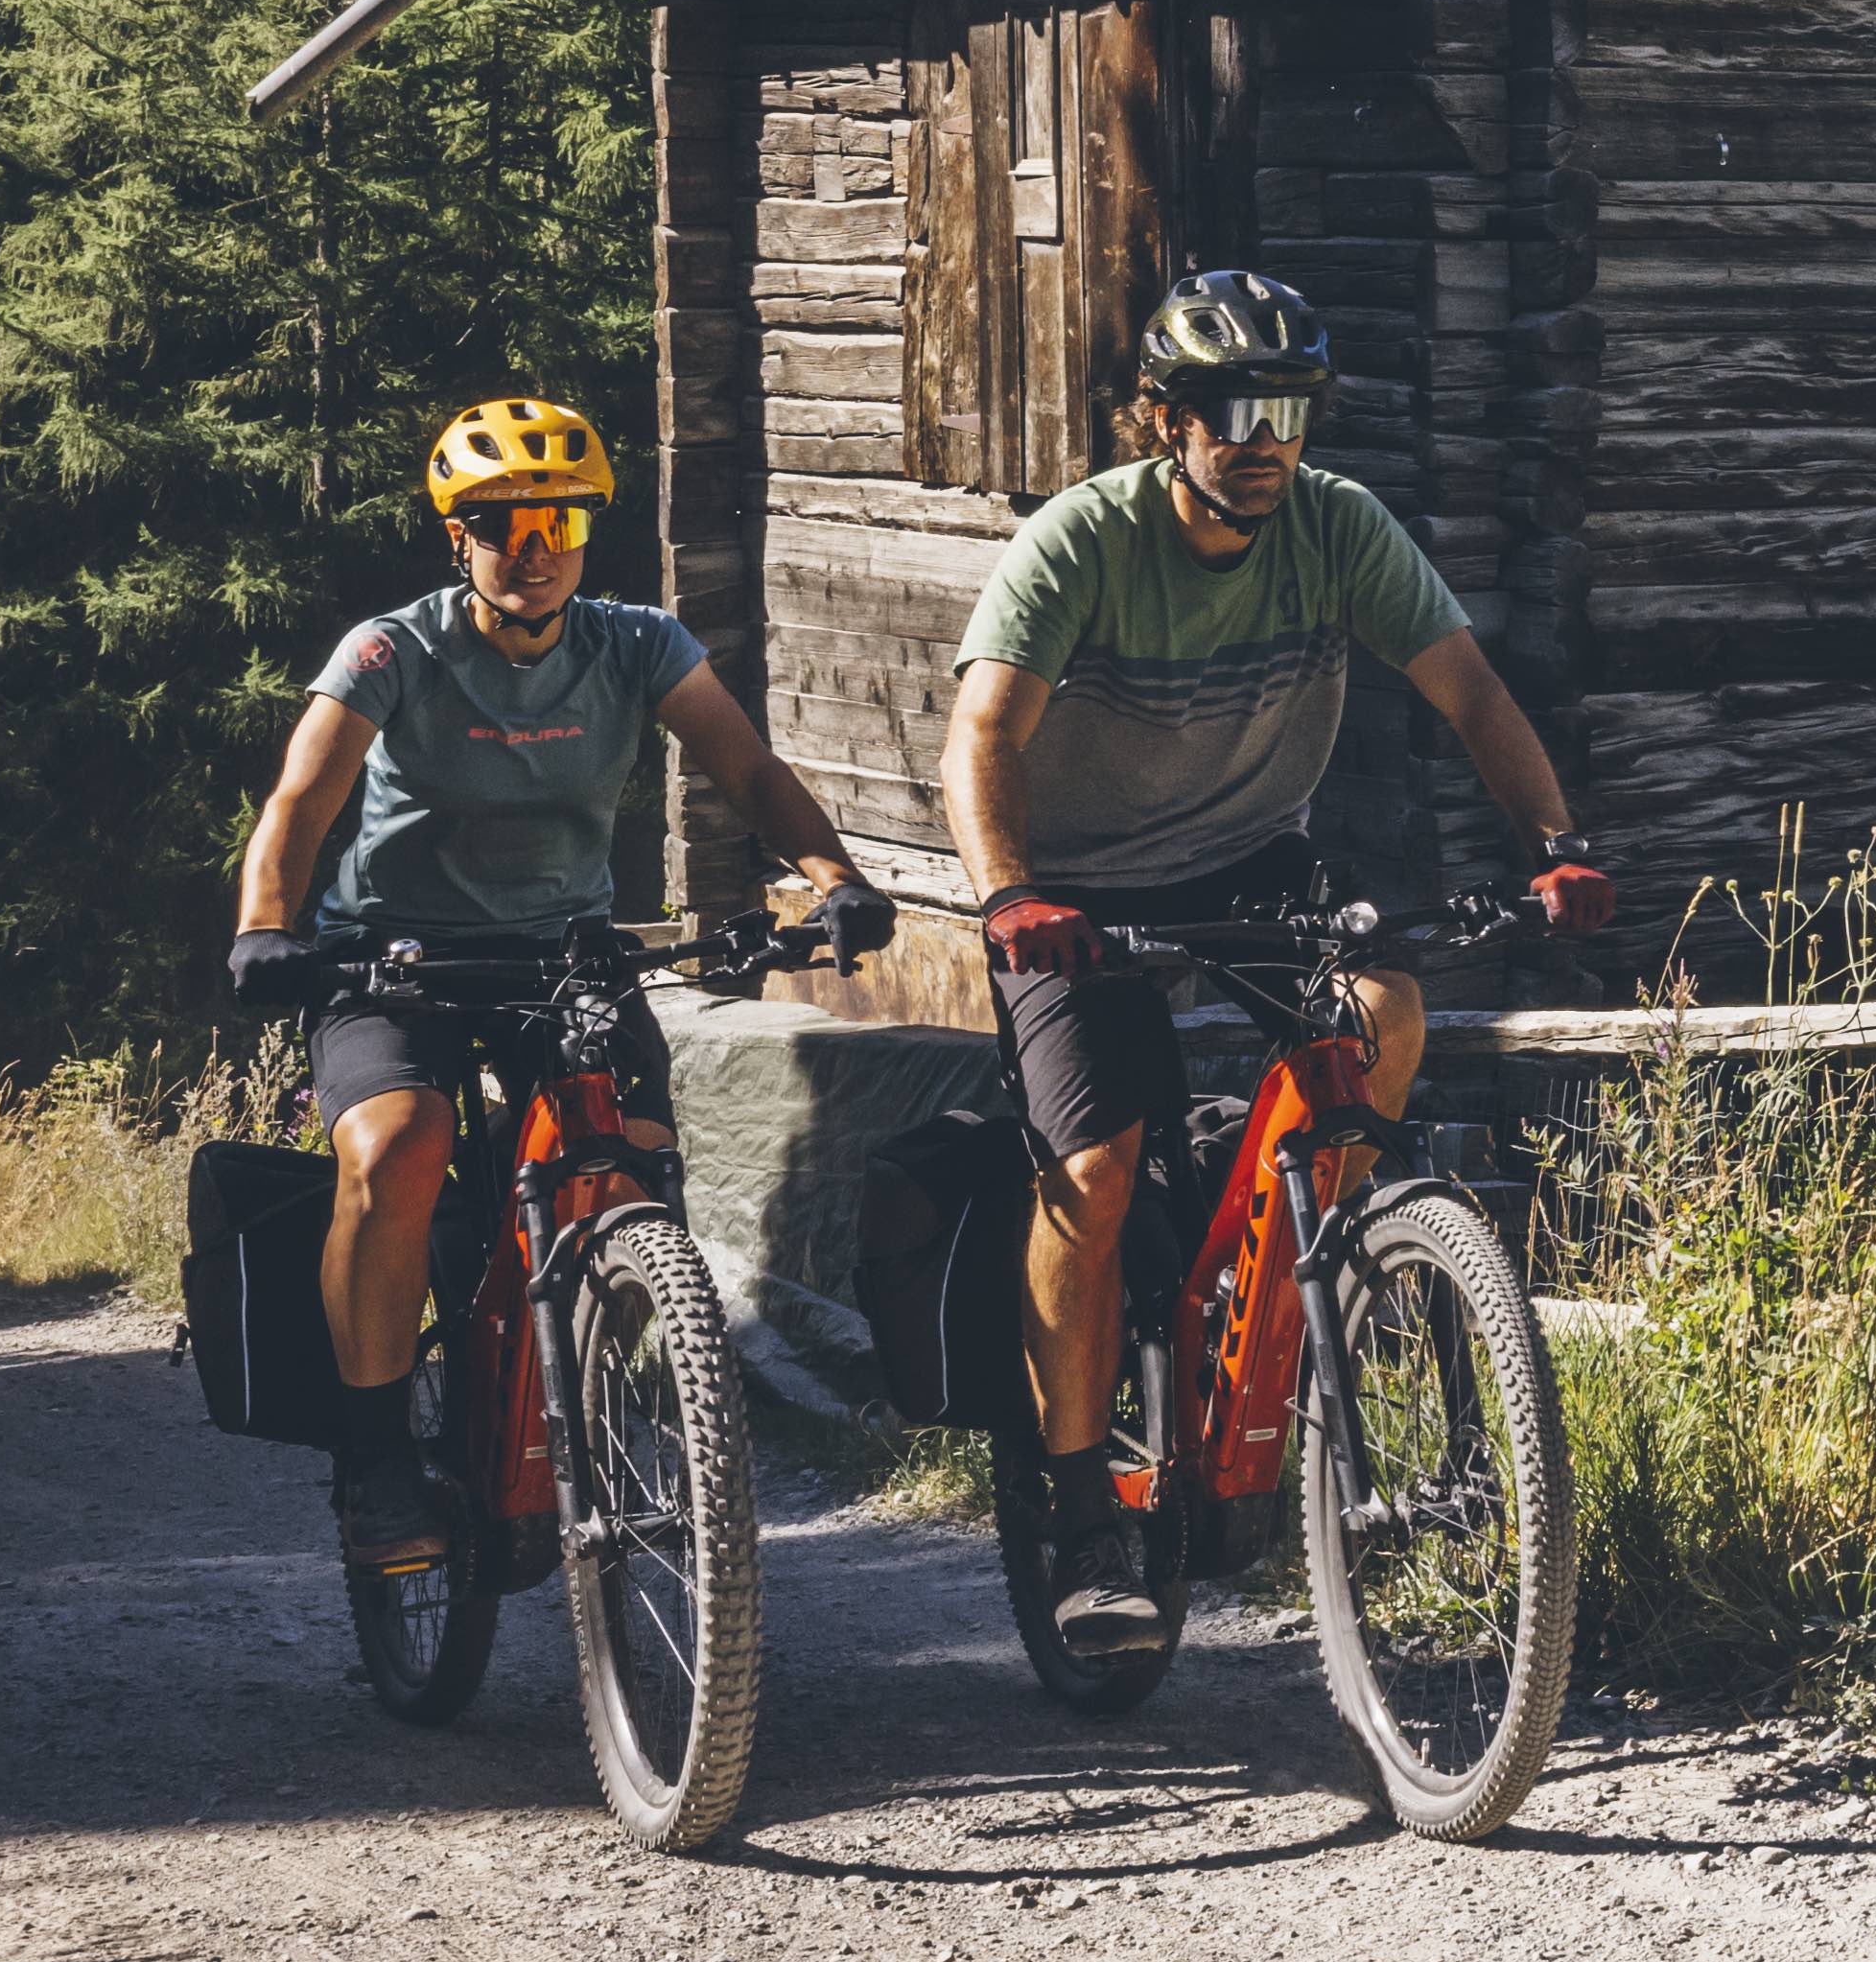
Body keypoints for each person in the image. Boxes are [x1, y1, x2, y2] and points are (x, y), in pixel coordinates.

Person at [946, 269, 1614, 1640]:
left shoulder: (1338, 528)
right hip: (1076, 888)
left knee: (1385, 1015)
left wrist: (1553, 842)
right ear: (1164, 419)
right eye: (1233, 409)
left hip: (1252, 857)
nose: (1265, 439)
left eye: (1292, 411)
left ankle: (1315, 1286)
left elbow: (1471, 692)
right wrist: (1010, 896)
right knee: (1093, 1167)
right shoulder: (1080, 543)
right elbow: (983, 738)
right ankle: (1083, 1507)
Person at [226, 398, 863, 1590]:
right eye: (503, 524)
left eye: (558, 520)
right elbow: (299, 805)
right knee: (399, 1143)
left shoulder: (636, 644)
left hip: (561, 955)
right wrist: (268, 927)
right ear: (456, 537)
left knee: (627, 1163)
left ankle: (587, 1402)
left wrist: (832, 879)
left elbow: (749, 769)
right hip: (392, 959)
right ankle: (374, 1458)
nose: (534, 546)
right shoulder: (391, 650)